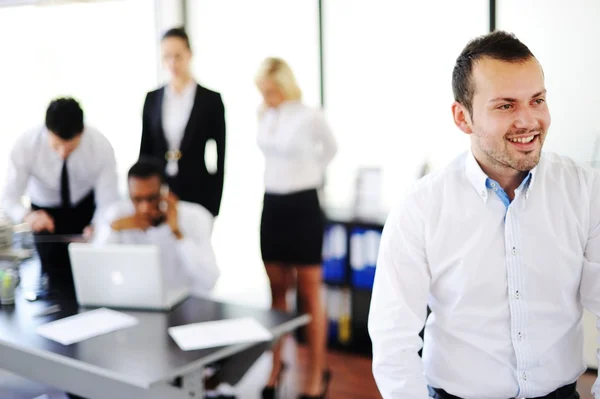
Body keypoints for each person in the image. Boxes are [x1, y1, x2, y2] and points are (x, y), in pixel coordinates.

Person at [368, 30, 600, 399]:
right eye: (505, 105)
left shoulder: (586, 192)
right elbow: (392, 339)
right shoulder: (421, 208)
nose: (528, 121)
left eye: (537, 101)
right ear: (463, 118)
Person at [94, 158, 264, 399]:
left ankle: (208, 386)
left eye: (151, 198)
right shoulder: (118, 217)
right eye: (137, 199)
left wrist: (177, 233)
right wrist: (114, 230)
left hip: (189, 316)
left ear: (165, 194)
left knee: (259, 336)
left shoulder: (194, 217)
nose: (143, 207)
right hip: (139, 318)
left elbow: (209, 278)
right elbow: (95, 271)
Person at [254, 57, 337, 399]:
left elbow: (331, 150)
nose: (267, 96)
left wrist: (309, 173)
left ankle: (317, 373)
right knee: (276, 294)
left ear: (285, 86)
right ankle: (276, 366)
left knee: (308, 293)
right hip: (272, 206)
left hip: (302, 206)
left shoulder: (309, 116)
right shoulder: (264, 114)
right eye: (263, 91)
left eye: (272, 90)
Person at [1, 97, 119, 300]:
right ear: (47, 130)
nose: (63, 153)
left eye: (70, 147)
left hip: (84, 211)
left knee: (90, 279)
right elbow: (8, 198)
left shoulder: (101, 147)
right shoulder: (25, 145)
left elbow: (108, 201)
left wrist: (96, 227)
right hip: (44, 216)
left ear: (82, 132)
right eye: (56, 146)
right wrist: (28, 216)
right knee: (53, 284)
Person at [140, 27, 226, 220]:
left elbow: (219, 158)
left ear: (189, 54)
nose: (173, 63)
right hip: (159, 193)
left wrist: (213, 206)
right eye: (167, 56)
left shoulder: (210, 100)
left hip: (198, 192)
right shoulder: (152, 99)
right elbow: (145, 151)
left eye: (178, 56)